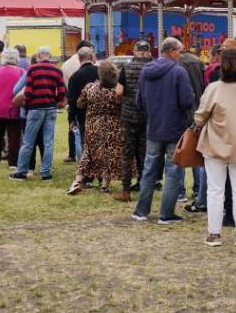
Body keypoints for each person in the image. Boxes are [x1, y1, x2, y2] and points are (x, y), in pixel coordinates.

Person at [194, 46, 236, 246]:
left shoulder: (213, 88)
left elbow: (200, 116)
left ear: (220, 66)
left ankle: (214, 234)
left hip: (215, 144)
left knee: (215, 190)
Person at [132, 38, 195, 223]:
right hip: (174, 128)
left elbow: (138, 101)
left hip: (153, 127)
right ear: (171, 51)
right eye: (180, 51)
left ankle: (141, 211)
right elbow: (186, 101)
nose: (181, 54)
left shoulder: (146, 71)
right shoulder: (178, 72)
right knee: (173, 171)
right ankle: (166, 214)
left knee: (149, 169)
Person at [68, 61, 126, 195]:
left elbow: (80, 104)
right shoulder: (117, 91)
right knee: (108, 155)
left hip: (92, 126)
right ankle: (105, 185)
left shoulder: (90, 88)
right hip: (112, 128)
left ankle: (77, 181)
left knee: (87, 154)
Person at [11, 46, 66, 181]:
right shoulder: (57, 70)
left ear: (39, 56)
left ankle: (21, 172)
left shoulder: (32, 69)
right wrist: (55, 101)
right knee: (48, 142)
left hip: (35, 108)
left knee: (28, 141)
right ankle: (46, 173)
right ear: (50, 55)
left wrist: (27, 103)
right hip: (51, 109)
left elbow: (28, 91)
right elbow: (62, 92)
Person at [115, 41, 153, 201]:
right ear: (148, 52)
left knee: (127, 153)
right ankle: (144, 187)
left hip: (128, 116)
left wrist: (122, 104)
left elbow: (119, 92)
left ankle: (125, 191)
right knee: (144, 153)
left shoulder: (126, 68)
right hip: (148, 116)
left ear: (135, 52)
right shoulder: (153, 69)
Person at [180, 41, 210, 213]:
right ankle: (198, 188)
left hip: (182, 111)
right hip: (198, 108)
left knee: (180, 150)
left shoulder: (176, 64)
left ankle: (180, 191)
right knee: (197, 151)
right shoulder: (198, 62)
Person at [63, 40, 95, 163]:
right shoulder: (99, 71)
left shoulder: (70, 71)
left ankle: (82, 164)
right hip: (98, 112)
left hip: (80, 112)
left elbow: (71, 98)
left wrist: (71, 118)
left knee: (81, 138)